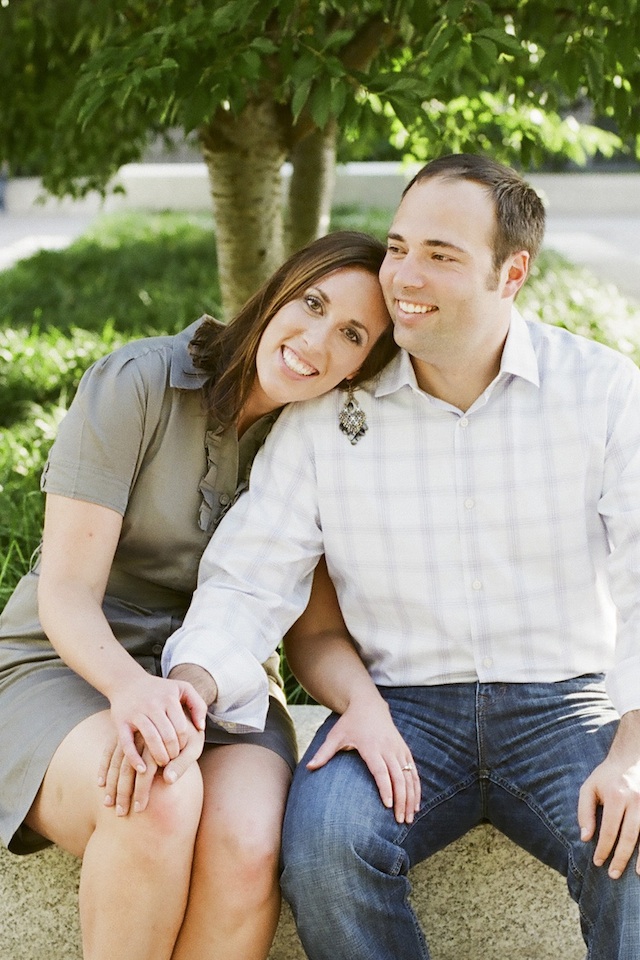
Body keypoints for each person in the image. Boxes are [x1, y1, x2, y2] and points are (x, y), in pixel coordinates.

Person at [162, 154, 640, 960]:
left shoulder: (600, 391)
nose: (402, 275)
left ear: (511, 272)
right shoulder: (330, 414)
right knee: (324, 846)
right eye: (396, 245)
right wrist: (192, 683)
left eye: (441, 255)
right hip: (400, 710)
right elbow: (250, 576)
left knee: (636, 844)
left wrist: (633, 755)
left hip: (568, 703)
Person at [0, 229, 396, 960]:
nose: (315, 340)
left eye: (351, 334)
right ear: (278, 289)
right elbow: (65, 591)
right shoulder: (140, 383)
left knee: (248, 844)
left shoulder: (317, 444)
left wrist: (366, 704)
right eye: (310, 302)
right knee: (156, 800)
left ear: (362, 366)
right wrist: (131, 690)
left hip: (228, 686)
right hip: (70, 663)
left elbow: (309, 635)